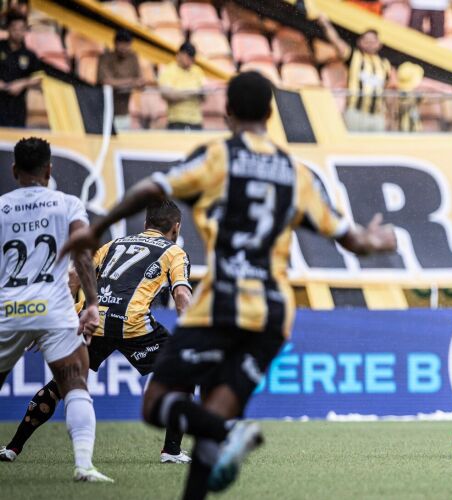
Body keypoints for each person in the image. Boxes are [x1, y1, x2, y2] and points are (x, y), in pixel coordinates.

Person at [60, 71, 397, 500]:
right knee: (213, 426)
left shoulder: (217, 157)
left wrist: (98, 228)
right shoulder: (297, 174)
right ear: (272, 113)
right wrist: (378, 240)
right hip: (271, 315)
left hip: (218, 307)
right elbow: (353, 239)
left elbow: (151, 187)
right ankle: (224, 432)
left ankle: (225, 430)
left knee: (156, 404)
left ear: (228, 112)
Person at [0, 200, 194, 464]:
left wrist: (59, 318)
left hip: (93, 320)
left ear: (146, 223)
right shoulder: (174, 252)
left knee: (60, 384)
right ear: (176, 227)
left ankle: (13, 447)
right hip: (133, 324)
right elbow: (181, 295)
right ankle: (171, 450)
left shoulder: (112, 245)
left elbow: (73, 277)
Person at [0, 137, 113, 482]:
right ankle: (84, 466)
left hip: (8, 307)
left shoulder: (1, 206)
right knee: (75, 382)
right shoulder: (67, 203)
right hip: (54, 307)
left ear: (15, 170)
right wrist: (92, 304)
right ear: (50, 170)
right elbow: (82, 253)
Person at [320, 16, 394, 132]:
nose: (370, 43)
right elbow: (336, 42)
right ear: (360, 42)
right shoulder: (354, 56)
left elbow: (387, 89)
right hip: (355, 112)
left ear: (379, 44)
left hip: (376, 115)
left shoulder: (385, 64)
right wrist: (325, 24)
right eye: (366, 40)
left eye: (373, 40)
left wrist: (389, 114)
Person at [0, 12, 42, 128]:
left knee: (16, 139)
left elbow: (38, 77)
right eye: (14, 29)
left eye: (21, 29)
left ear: (26, 31)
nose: (18, 32)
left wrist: (22, 83)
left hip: (17, 107)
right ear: (8, 28)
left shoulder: (29, 55)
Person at [97, 29, 143, 132]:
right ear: (115, 43)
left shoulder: (133, 58)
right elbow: (105, 81)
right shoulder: (105, 58)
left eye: (127, 44)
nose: (124, 47)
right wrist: (131, 81)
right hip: (104, 113)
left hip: (123, 115)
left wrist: (132, 82)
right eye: (121, 43)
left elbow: (140, 82)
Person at [158, 42, 205, 131]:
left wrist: (201, 92)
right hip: (177, 121)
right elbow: (167, 95)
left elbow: (204, 95)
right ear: (179, 54)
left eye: (192, 58)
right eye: (188, 57)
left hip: (196, 122)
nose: (190, 61)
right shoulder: (168, 71)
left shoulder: (197, 71)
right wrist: (192, 92)